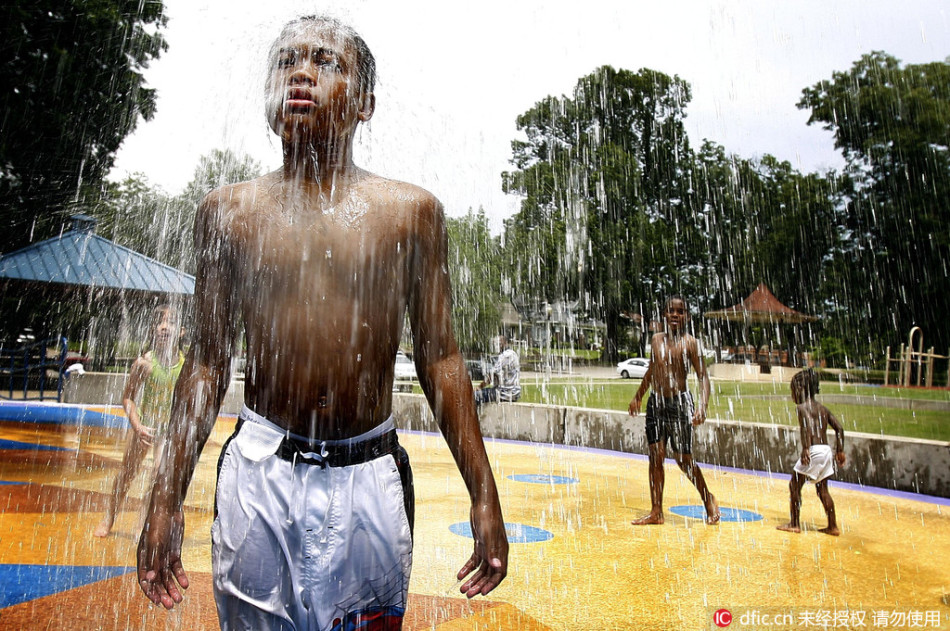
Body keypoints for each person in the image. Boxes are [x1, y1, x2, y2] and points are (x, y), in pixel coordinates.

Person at [136, 15, 508, 630]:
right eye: (285, 62)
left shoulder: (408, 215)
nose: (300, 73)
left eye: (326, 62)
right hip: (259, 475)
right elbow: (205, 363)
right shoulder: (229, 214)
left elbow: (440, 357)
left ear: (364, 102)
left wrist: (484, 492)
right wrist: (164, 497)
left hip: (368, 476)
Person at [94, 305, 184, 538]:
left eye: (171, 322)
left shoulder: (185, 366)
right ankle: (109, 516)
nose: (165, 326)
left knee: (157, 475)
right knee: (127, 474)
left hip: (166, 431)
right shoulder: (145, 363)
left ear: (182, 331)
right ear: (154, 329)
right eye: (161, 322)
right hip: (144, 426)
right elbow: (128, 397)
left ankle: (143, 522)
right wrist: (137, 426)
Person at [628, 296, 719, 525]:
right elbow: (651, 369)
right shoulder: (656, 339)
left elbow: (702, 376)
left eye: (680, 311)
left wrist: (702, 406)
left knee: (683, 459)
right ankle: (656, 511)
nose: (675, 315)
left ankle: (708, 498)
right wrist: (638, 397)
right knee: (656, 456)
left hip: (679, 403)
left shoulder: (690, 343)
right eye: (671, 311)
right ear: (665, 315)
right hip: (655, 403)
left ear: (686, 315)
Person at [777, 368, 846, 536]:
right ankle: (832, 526)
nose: (793, 395)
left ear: (801, 389)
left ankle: (794, 523)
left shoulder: (802, 408)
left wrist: (806, 448)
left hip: (813, 449)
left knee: (794, 485)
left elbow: (806, 426)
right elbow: (839, 429)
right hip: (826, 450)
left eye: (793, 390)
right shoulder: (823, 409)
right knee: (823, 490)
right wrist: (840, 450)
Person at [474, 337, 521, 409]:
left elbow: (492, 376)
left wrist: (479, 387)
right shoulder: (513, 353)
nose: (496, 345)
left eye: (498, 343)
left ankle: (472, 419)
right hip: (511, 392)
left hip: (506, 393)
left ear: (505, 343)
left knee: (474, 396)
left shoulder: (506, 355)